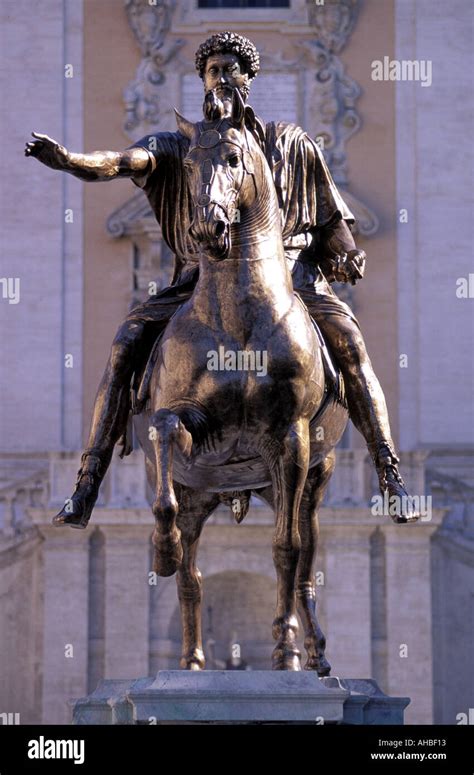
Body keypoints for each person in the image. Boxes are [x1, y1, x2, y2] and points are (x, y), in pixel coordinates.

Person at [25, 31, 416, 526]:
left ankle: (389, 472)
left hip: (292, 280)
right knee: (125, 344)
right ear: (203, 81)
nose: (222, 76)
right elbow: (125, 162)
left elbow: (331, 220)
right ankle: (88, 482)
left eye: (232, 68)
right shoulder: (179, 146)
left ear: (250, 79)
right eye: (213, 69)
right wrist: (71, 162)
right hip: (197, 282)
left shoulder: (291, 144)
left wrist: (347, 254)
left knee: (351, 345)